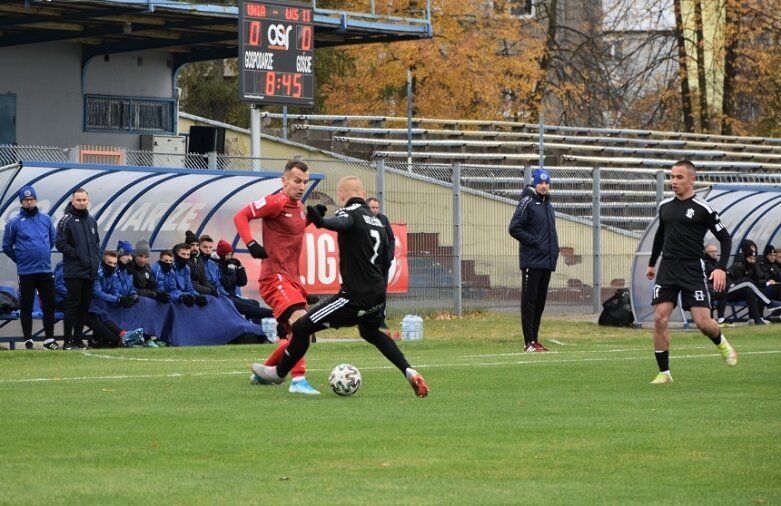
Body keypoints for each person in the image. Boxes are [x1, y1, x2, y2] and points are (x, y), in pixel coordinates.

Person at [251, 176, 429, 398]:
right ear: (364, 194)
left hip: (353, 297)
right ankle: (408, 370)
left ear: (342, 197)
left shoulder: (350, 211)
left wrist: (322, 222)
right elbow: (385, 262)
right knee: (371, 332)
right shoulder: (378, 223)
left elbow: (342, 222)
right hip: (377, 296)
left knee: (301, 327)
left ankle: (279, 372)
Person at [233, 158, 321, 395]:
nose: (301, 186)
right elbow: (241, 216)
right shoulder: (276, 202)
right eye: (296, 181)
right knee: (302, 326)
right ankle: (298, 380)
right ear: (284, 181)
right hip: (275, 278)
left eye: (305, 181)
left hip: (292, 279)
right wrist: (251, 243)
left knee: (297, 334)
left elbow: (290, 230)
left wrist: (313, 220)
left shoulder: (299, 208)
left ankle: (265, 374)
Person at [646, 160, 737, 384]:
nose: (674, 182)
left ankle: (721, 342)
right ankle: (664, 373)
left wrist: (721, 269)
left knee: (703, 323)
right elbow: (660, 235)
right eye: (672, 177)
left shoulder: (703, 208)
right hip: (668, 267)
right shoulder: (665, 206)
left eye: (679, 177)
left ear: (692, 179)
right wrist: (651, 262)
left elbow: (725, 238)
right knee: (659, 318)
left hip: (692, 269)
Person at [508, 168, 559, 353]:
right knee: (529, 302)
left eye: (547, 183)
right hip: (532, 260)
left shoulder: (548, 205)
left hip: (546, 261)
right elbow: (514, 228)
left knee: (540, 303)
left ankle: (535, 340)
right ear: (535, 183)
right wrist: (534, 242)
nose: (544, 186)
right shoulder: (528, 202)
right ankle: (528, 341)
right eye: (541, 182)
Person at [2, 185, 59, 350]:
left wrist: (43, 253)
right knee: (26, 306)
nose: (29, 202)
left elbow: (51, 240)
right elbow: (7, 246)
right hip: (26, 272)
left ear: (36, 200)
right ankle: (28, 340)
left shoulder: (46, 219)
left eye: (32, 199)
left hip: (45, 270)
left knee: (49, 305)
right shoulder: (14, 223)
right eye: (26, 200)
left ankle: (49, 339)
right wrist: (20, 260)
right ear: (21, 202)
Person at [54, 259, 145, 348]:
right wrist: (75, 296)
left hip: (76, 300)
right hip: (62, 300)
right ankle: (119, 340)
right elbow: (58, 285)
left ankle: (122, 335)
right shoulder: (65, 264)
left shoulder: (82, 264)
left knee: (98, 312)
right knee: (90, 316)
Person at [55, 188, 100, 350]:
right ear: (73, 201)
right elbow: (60, 243)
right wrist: (76, 254)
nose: (81, 203)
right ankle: (67, 341)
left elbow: (96, 243)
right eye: (78, 200)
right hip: (74, 271)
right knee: (72, 305)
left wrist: (95, 261)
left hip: (90, 271)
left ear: (88, 201)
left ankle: (77, 339)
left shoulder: (91, 220)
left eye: (84, 200)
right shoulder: (66, 220)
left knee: (84, 306)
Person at [704, 243, 767, 325]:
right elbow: (717, 278)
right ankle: (769, 303)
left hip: (727, 289)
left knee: (748, 290)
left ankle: (756, 319)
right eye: (711, 251)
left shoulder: (717, 263)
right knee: (747, 281)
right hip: (720, 290)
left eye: (716, 251)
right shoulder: (706, 264)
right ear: (706, 252)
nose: (714, 253)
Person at [215, 239, 273, 324]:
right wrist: (230, 271)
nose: (229, 257)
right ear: (222, 255)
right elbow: (227, 283)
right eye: (227, 255)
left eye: (230, 254)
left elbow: (242, 282)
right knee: (249, 307)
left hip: (233, 295)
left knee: (255, 303)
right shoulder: (217, 267)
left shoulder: (231, 264)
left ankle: (257, 328)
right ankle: (273, 313)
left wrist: (240, 268)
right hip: (225, 297)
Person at [126, 239, 170, 304]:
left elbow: (153, 285)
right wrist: (154, 294)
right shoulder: (129, 268)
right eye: (140, 256)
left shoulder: (147, 267)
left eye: (146, 257)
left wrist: (158, 294)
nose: (143, 260)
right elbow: (132, 289)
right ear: (135, 255)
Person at [367, 197, 395, 274]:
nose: (375, 210)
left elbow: (391, 238)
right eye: (373, 207)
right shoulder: (363, 219)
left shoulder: (383, 219)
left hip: (382, 260)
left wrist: (390, 255)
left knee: (382, 284)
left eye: (377, 208)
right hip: (368, 259)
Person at [186, 230, 216, 296]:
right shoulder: (184, 261)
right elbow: (188, 283)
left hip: (199, 290)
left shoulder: (198, 260)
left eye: (197, 245)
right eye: (192, 245)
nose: (195, 248)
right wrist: (209, 290)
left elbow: (203, 279)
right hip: (191, 293)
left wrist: (213, 289)